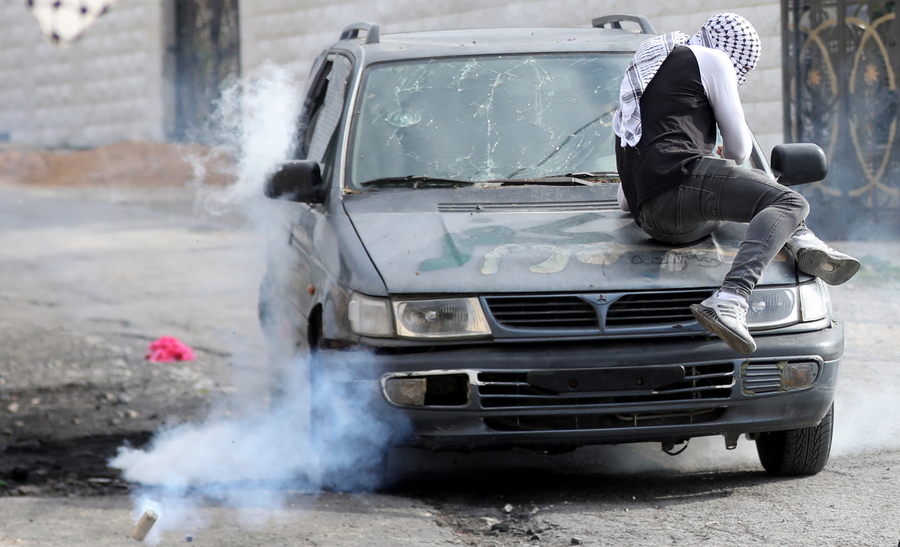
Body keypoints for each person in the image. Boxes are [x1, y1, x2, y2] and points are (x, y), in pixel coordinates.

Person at [612, 12, 860, 355]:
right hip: (679, 188)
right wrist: (717, 151)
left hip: (653, 218)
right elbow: (740, 149)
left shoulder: (646, 77)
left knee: (763, 195)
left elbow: (624, 201)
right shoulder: (711, 59)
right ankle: (732, 298)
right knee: (790, 203)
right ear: (737, 56)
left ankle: (802, 239)